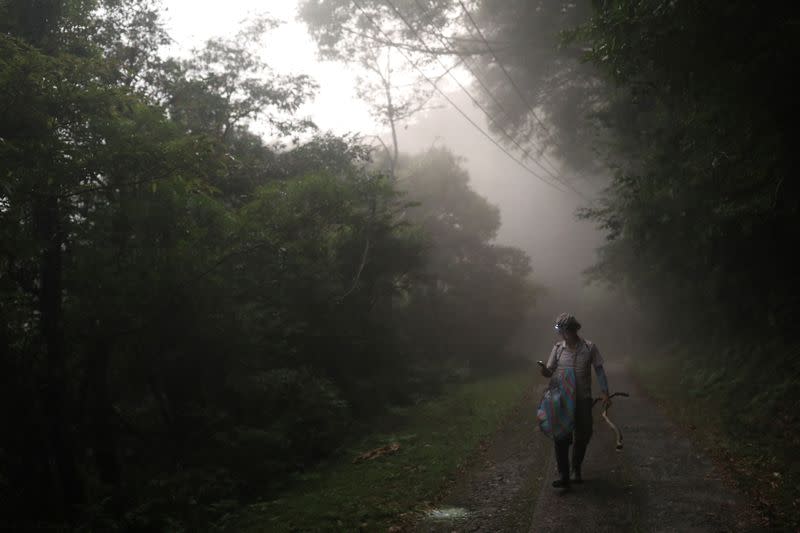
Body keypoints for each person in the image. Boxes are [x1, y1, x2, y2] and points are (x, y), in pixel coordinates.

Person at [540, 313, 610, 490]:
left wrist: (605, 392)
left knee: (583, 435)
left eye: (564, 331)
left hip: (583, 399)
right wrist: (544, 371)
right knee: (561, 437)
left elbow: (599, 370)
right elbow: (549, 371)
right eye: (560, 331)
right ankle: (564, 476)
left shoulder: (589, 347)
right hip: (562, 400)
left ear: (572, 329)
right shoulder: (557, 349)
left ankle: (575, 469)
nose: (562, 335)